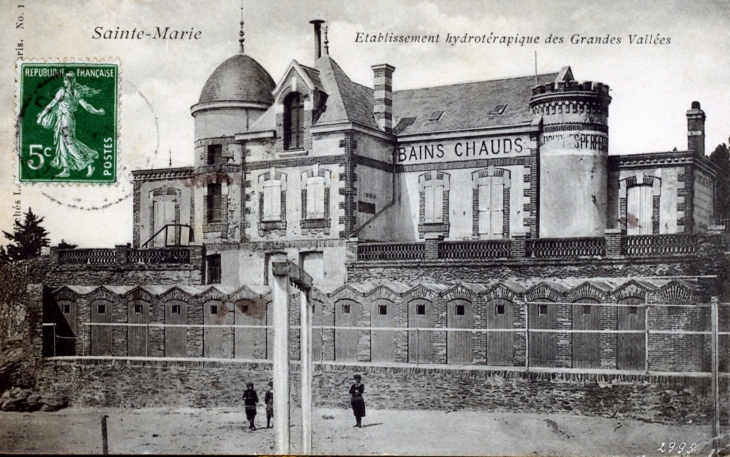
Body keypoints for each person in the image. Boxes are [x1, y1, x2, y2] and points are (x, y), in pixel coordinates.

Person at [36, 71, 105, 178]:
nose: (64, 81)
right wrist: (97, 111)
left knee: (68, 142)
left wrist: (41, 117)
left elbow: (51, 104)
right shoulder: (76, 92)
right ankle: (66, 169)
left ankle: (88, 162)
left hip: (65, 119)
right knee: (62, 142)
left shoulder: (62, 92)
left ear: (69, 81)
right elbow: (87, 106)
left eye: (65, 79)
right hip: (66, 119)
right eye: (64, 79)